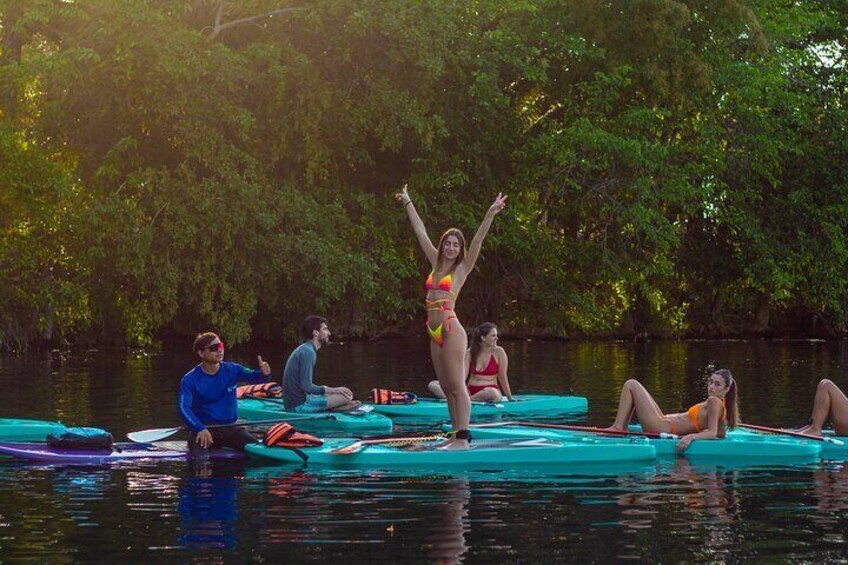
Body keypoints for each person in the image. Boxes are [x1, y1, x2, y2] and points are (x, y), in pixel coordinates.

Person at [397, 184, 507, 449]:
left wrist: (491, 213)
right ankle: (454, 433)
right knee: (446, 387)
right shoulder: (435, 262)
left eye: (456, 244)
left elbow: (479, 240)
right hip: (432, 330)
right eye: (448, 242)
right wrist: (408, 202)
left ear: (460, 249)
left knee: (458, 385)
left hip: (450, 327)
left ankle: (463, 438)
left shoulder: (462, 269)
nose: (450, 247)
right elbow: (420, 232)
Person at [178, 332, 272, 454]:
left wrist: (265, 372)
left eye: (221, 346)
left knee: (256, 449)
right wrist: (199, 428)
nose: (220, 351)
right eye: (214, 348)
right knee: (201, 463)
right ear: (201, 353)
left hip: (230, 429)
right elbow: (183, 407)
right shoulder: (189, 379)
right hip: (204, 429)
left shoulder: (233, 369)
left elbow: (259, 377)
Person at [605, 369, 739, 451]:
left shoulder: (714, 401)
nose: (711, 387)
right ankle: (621, 428)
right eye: (710, 381)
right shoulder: (721, 405)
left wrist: (691, 437)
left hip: (661, 427)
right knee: (634, 388)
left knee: (631, 384)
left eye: (717, 384)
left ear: (726, 389)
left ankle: (618, 427)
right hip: (663, 422)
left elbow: (712, 433)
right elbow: (720, 434)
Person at [282, 316, 360, 413]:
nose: (329, 333)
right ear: (315, 332)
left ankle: (337, 407)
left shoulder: (306, 349)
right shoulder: (308, 352)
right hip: (299, 406)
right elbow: (306, 386)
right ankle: (336, 407)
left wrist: (329, 391)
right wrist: (334, 390)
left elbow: (306, 387)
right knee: (347, 395)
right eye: (325, 329)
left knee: (340, 393)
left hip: (300, 400)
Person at [428, 323, 514, 403]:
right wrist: (459, 389)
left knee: (492, 393)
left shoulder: (499, 352)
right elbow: (463, 376)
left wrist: (510, 398)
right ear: (483, 338)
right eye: (493, 336)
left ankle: (462, 401)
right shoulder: (469, 353)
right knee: (433, 384)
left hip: (490, 392)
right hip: (470, 391)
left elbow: (502, 376)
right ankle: (461, 400)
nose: (497, 338)